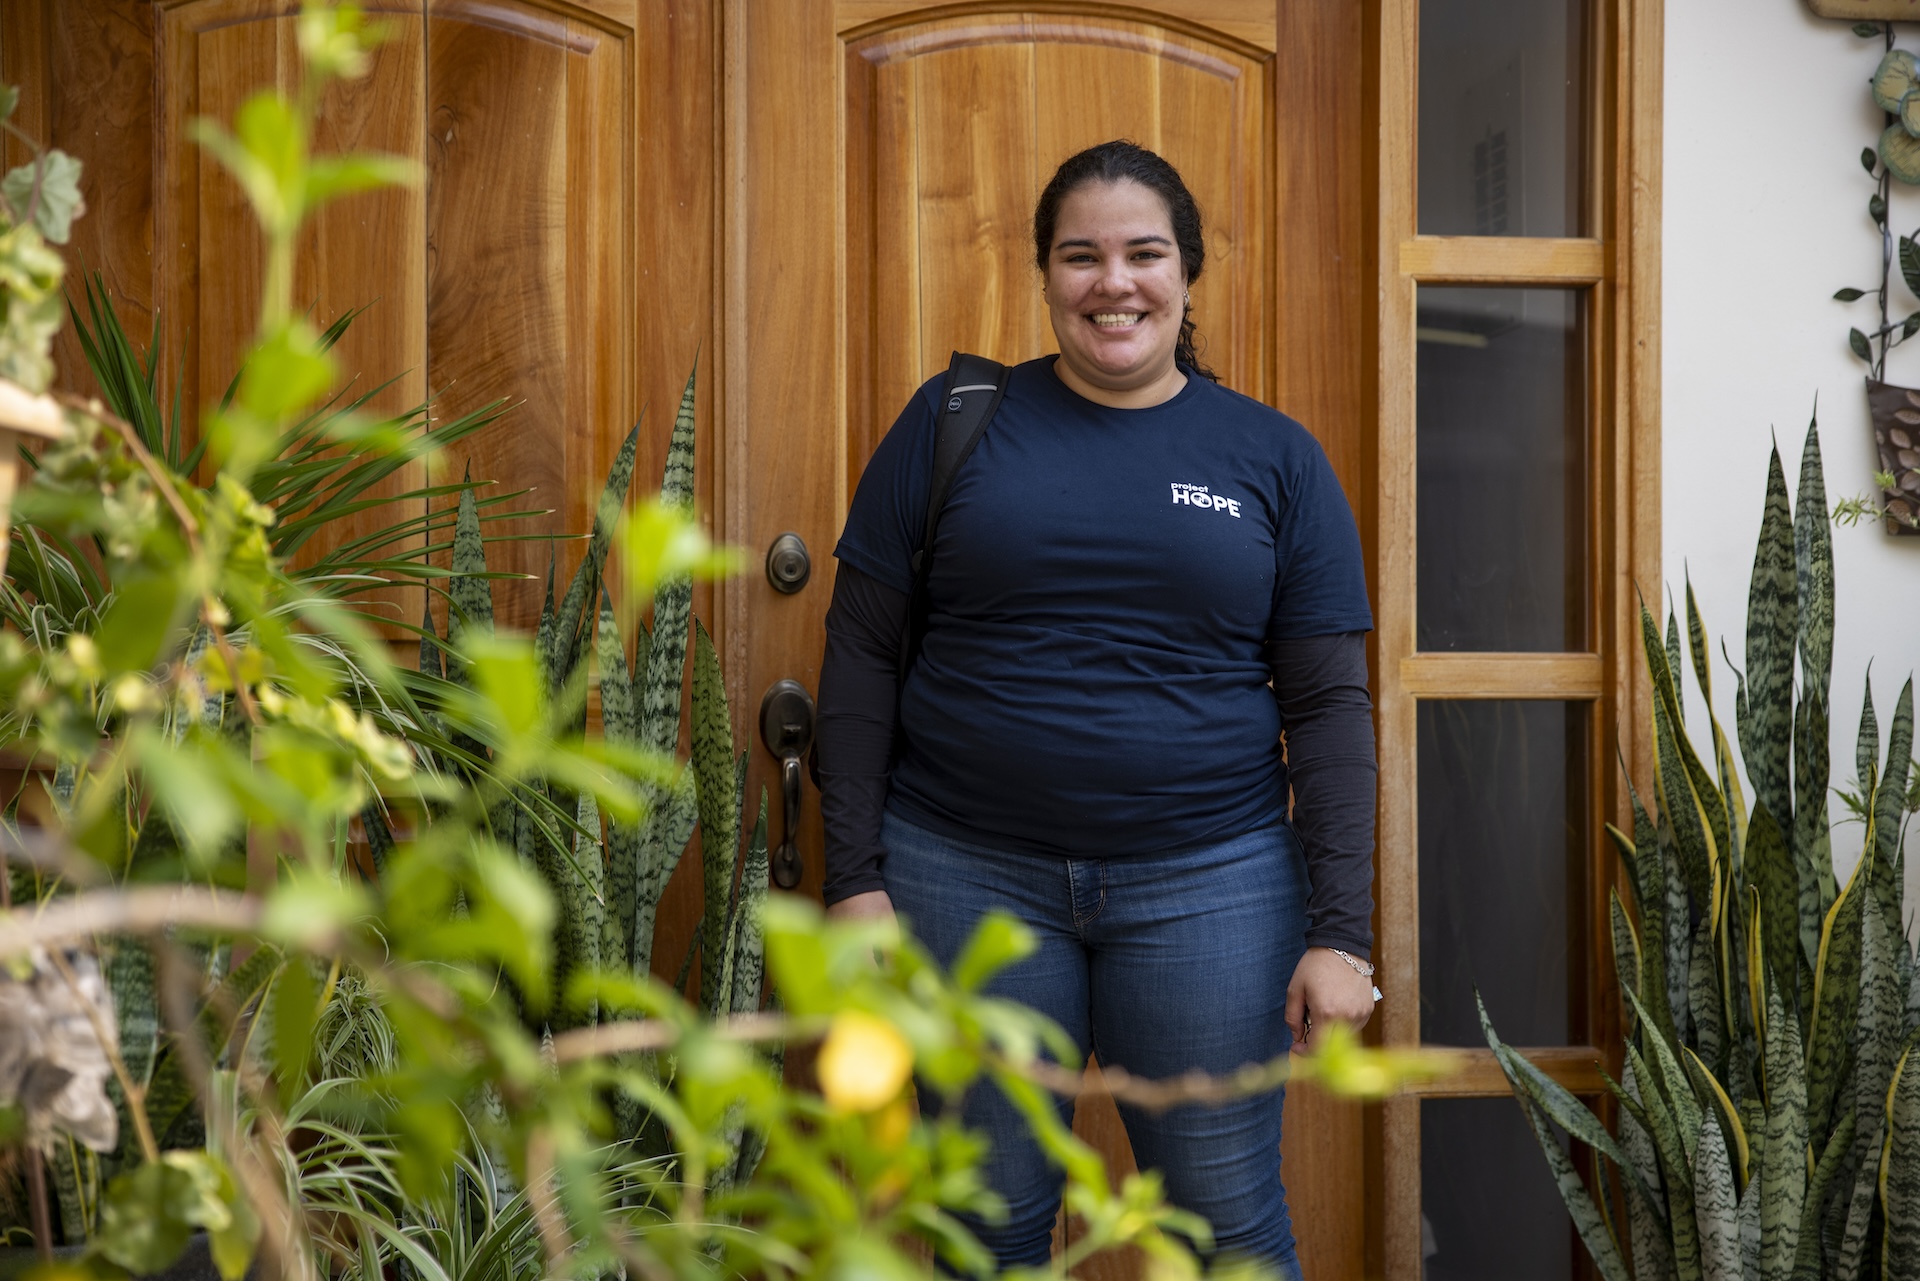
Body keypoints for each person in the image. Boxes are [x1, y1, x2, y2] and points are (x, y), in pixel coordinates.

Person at [815, 140, 1378, 1277]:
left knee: (1223, 1226)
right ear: (1044, 275)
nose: (1112, 282)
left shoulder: (1274, 458)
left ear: (1189, 273)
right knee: (986, 1223)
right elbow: (862, 655)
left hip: (1211, 890)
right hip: (962, 877)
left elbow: (1327, 707)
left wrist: (1342, 933)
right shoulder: (957, 418)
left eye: (1143, 253)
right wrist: (856, 879)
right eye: (1082, 255)